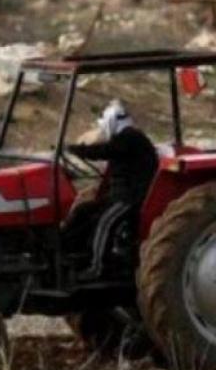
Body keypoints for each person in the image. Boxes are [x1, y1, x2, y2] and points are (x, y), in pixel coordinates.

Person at [67, 100, 159, 278]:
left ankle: (96, 268)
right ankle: (70, 253)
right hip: (117, 195)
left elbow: (105, 151)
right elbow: (107, 150)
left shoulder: (131, 137)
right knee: (83, 211)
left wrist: (77, 150)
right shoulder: (124, 138)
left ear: (112, 121)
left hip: (131, 196)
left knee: (104, 222)